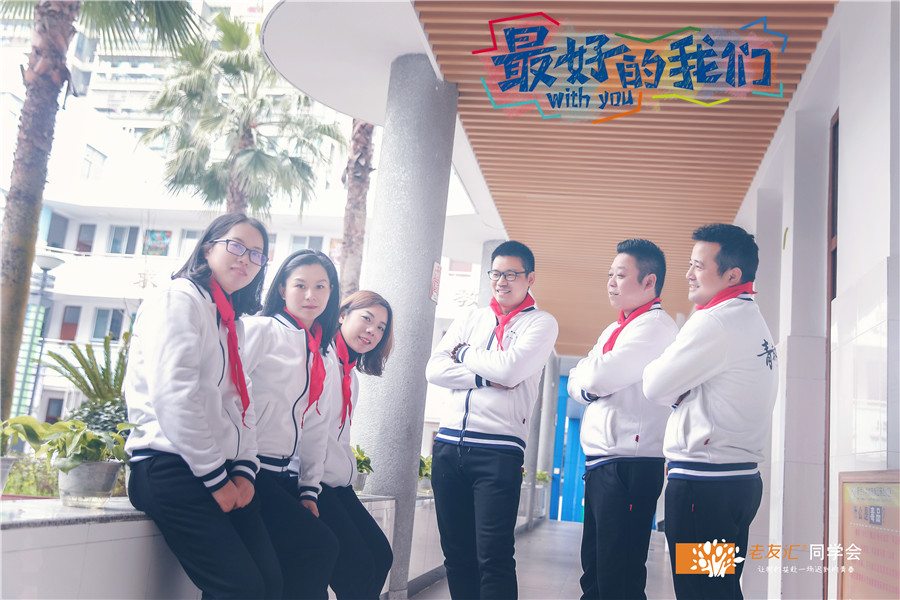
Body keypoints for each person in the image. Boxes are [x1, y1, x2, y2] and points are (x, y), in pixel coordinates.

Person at [125, 213, 282, 598]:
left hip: (221, 469)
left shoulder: (230, 320)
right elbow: (174, 396)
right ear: (208, 247)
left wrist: (245, 469)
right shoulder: (178, 299)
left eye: (257, 254)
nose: (246, 259)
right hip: (169, 466)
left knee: (272, 585)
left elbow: (242, 403)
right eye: (236, 246)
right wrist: (216, 479)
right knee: (242, 589)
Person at [643, 223, 778, 600]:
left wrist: (679, 388)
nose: (688, 274)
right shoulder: (749, 317)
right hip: (735, 482)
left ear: (732, 275)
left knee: (701, 592)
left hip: (704, 488)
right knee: (719, 589)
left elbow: (653, 384)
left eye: (698, 266)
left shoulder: (715, 320)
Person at [425, 240, 559, 600]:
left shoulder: (541, 323)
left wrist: (463, 352)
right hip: (448, 448)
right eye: (496, 273)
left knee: (493, 555)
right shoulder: (471, 318)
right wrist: (484, 377)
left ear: (530, 278)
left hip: (498, 451)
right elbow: (434, 369)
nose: (502, 281)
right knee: (457, 555)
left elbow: (511, 370)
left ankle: (705, 577)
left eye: (511, 274)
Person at [568, 239, 678, 600]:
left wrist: (591, 381)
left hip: (631, 464)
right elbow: (578, 379)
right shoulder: (614, 329)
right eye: (609, 275)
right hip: (604, 463)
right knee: (596, 571)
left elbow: (597, 375)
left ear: (649, 281)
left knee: (619, 575)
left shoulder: (656, 327)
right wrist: (590, 383)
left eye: (620, 275)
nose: (611, 283)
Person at [242, 249, 341, 599]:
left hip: (286, 477)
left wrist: (309, 489)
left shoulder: (322, 352)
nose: (311, 295)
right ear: (282, 289)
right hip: (250, 472)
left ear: (331, 293)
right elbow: (230, 397)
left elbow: (316, 426)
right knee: (319, 547)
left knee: (292, 567)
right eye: (300, 285)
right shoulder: (260, 330)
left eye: (320, 286)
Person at [311, 290, 395, 599]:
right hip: (312, 481)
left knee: (381, 555)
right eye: (367, 319)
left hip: (337, 483)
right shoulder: (319, 358)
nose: (373, 331)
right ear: (342, 314)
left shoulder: (350, 375)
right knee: (358, 567)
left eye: (381, 328)